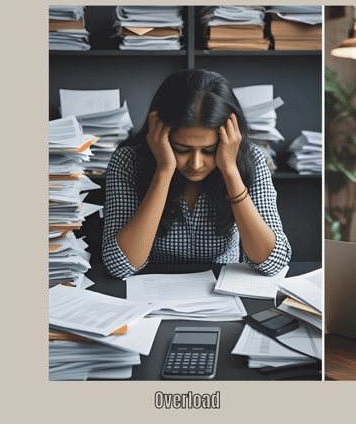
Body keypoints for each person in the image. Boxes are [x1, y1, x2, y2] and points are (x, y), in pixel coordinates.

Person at [102, 69, 291, 279]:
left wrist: (230, 170)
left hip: (222, 293)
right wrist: (164, 170)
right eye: (182, 149)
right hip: (152, 292)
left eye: (209, 150)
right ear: (159, 135)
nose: (196, 164)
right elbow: (119, 266)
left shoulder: (252, 159)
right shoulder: (127, 161)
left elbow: (273, 263)